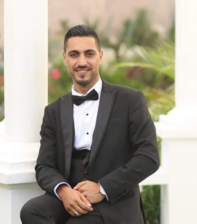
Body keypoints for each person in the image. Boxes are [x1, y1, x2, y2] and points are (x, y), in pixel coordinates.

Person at [20, 24, 159, 224]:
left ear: (100, 56)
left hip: (114, 201)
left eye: (89, 54)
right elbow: (44, 166)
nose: (82, 62)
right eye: (74, 54)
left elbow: (149, 157)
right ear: (65, 58)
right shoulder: (53, 111)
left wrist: (102, 188)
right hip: (71, 195)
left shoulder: (130, 100)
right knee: (32, 211)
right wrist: (64, 190)